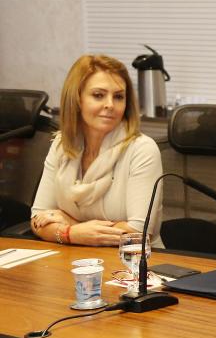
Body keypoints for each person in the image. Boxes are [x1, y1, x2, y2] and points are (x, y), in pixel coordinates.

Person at [30, 55, 163, 247]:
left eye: (118, 96)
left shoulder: (141, 149)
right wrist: (71, 233)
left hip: (134, 265)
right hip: (75, 259)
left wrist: (73, 226)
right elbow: (38, 218)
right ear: (77, 99)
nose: (110, 104)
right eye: (98, 95)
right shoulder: (62, 144)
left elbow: (137, 233)